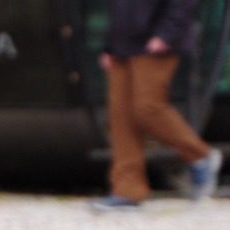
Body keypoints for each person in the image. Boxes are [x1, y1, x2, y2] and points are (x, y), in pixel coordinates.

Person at [92, 0, 223, 212]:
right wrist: (109, 45)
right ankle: (127, 192)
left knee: (147, 108)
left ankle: (200, 156)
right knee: (120, 118)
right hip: (121, 45)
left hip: (156, 42)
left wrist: (166, 34)